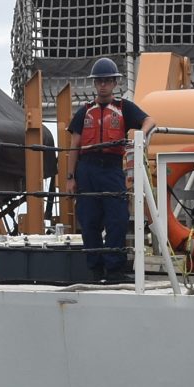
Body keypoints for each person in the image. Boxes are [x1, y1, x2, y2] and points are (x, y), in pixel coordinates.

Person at [68, 57, 149, 283]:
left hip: (112, 169)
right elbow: (73, 146)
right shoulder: (84, 112)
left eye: (107, 81)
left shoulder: (125, 108)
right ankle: (95, 271)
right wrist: (70, 177)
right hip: (87, 170)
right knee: (89, 221)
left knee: (118, 219)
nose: (103, 85)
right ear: (95, 84)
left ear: (114, 83)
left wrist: (139, 135)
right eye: (99, 81)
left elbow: (149, 120)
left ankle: (114, 270)